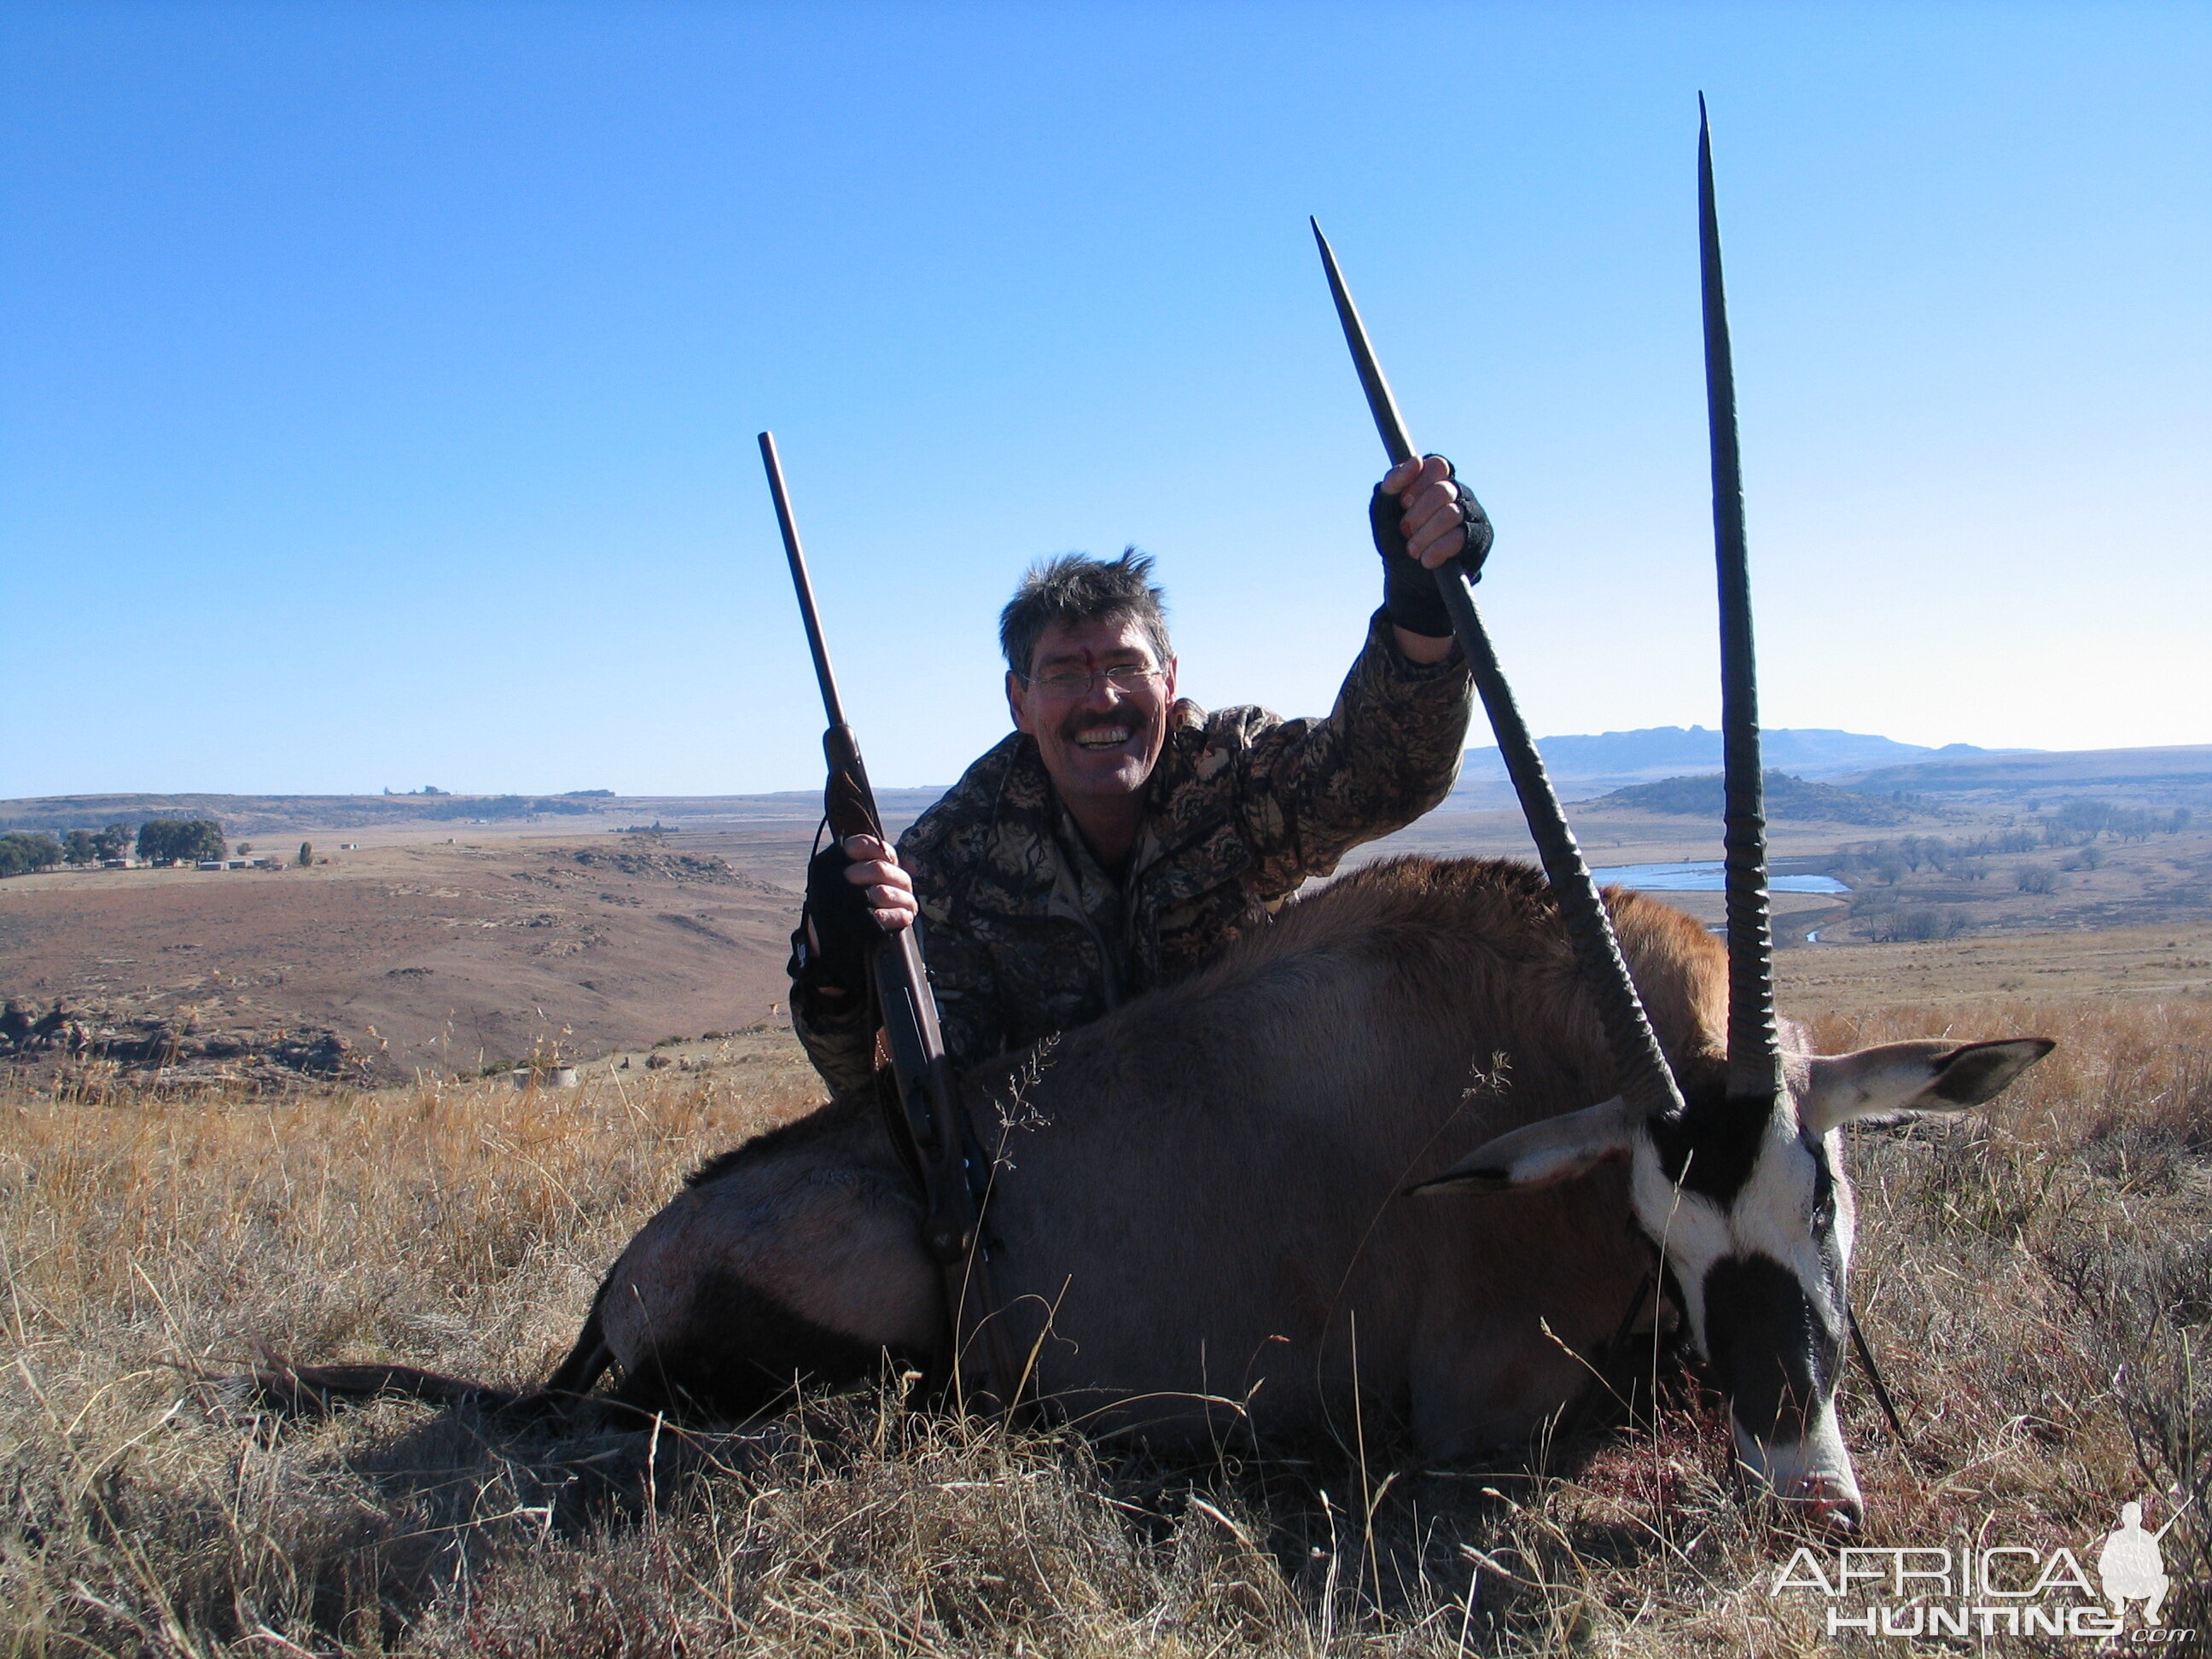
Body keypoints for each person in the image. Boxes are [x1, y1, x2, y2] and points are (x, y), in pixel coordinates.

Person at [789, 454, 1488, 1092]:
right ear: (1019, 703)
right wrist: (835, 980)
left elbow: (1386, 775)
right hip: (1057, 1184)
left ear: (1171, 678)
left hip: (1253, 1139)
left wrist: (1422, 605)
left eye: (1126, 667)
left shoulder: (1232, 768)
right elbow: (905, 1092)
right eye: (1065, 673)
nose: (1103, 700)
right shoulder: (947, 859)